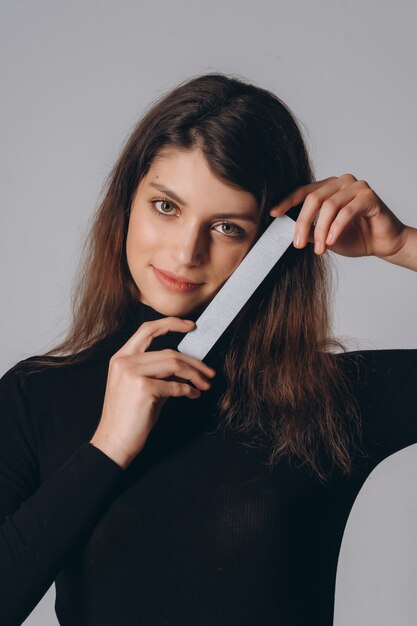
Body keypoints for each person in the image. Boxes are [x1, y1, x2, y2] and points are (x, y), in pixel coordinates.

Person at [0, 72, 416, 626]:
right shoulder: (36, 396)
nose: (185, 251)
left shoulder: (329, 400)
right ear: (128, 201)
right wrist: (106, 449)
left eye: (226, 227)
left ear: (270, 243)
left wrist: (404, 244)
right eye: (166, 207)